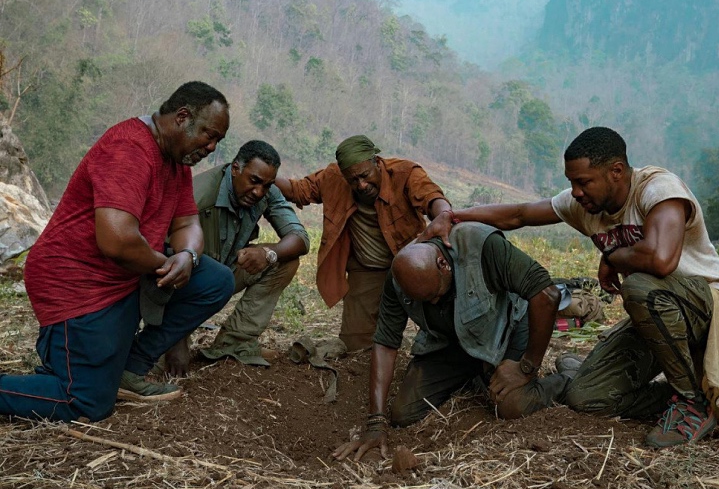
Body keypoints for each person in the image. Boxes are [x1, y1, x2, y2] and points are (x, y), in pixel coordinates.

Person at [420, 126, 719, 448]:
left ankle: (692, 403)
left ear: (616, 171)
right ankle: (676, 396)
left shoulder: (658, 189)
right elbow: (518, 215)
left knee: (641, 289)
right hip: (658, 320)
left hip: (708, 306)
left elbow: (662, 261)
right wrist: (452, 216)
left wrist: (614, 257)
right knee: (586, 397)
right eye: (571, 183)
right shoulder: (585, 205)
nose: (576, 191)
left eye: (583, 182)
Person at [0, 81, 235, 423]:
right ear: (182, 117)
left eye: (218, 141)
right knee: (85, 402)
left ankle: (129, 369)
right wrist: (165, 264)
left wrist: (187, 258)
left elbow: (188, 225)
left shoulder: (177, 162)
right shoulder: (129, 148)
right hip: (77, 281)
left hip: (125, 276)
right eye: (209, 135)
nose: (211, 148)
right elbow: (117, 241)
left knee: (214, 280)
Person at [332, 222, 563, 461]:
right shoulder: (399, 276)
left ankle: (566, 379)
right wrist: (376, 422)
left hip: (507, 328)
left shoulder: (481, 246)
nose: (433, 304)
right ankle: (478, 371)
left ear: (443, 264)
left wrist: (526, 367)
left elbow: (547, 295)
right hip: (452, 341)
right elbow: (386, 342)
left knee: (512, 405)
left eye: (435, 295)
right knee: (404, 413)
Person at [275, 135, 451, 351]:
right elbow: (298, 190)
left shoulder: (405, 173)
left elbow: (431, 196)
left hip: (412, 265)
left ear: (377, 162)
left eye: (365, 176)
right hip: (367, 270)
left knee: (441, 331)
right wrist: (266, 175)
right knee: (355, 345)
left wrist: (443, 215)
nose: (362, 185)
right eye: (353, 180)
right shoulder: (334, 177)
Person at [163, 140, 309, 376]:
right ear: (235, 169)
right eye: (254, 182)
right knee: (158, 362)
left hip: (224, 275)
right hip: (184, 286)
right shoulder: (198, 196)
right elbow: (165, 265)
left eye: (267, 185)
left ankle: (234, 342)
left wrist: (268, 253)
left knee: (285, 258)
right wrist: (176, 338)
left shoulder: (266, 192)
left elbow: (300, 238)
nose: (259, 192)